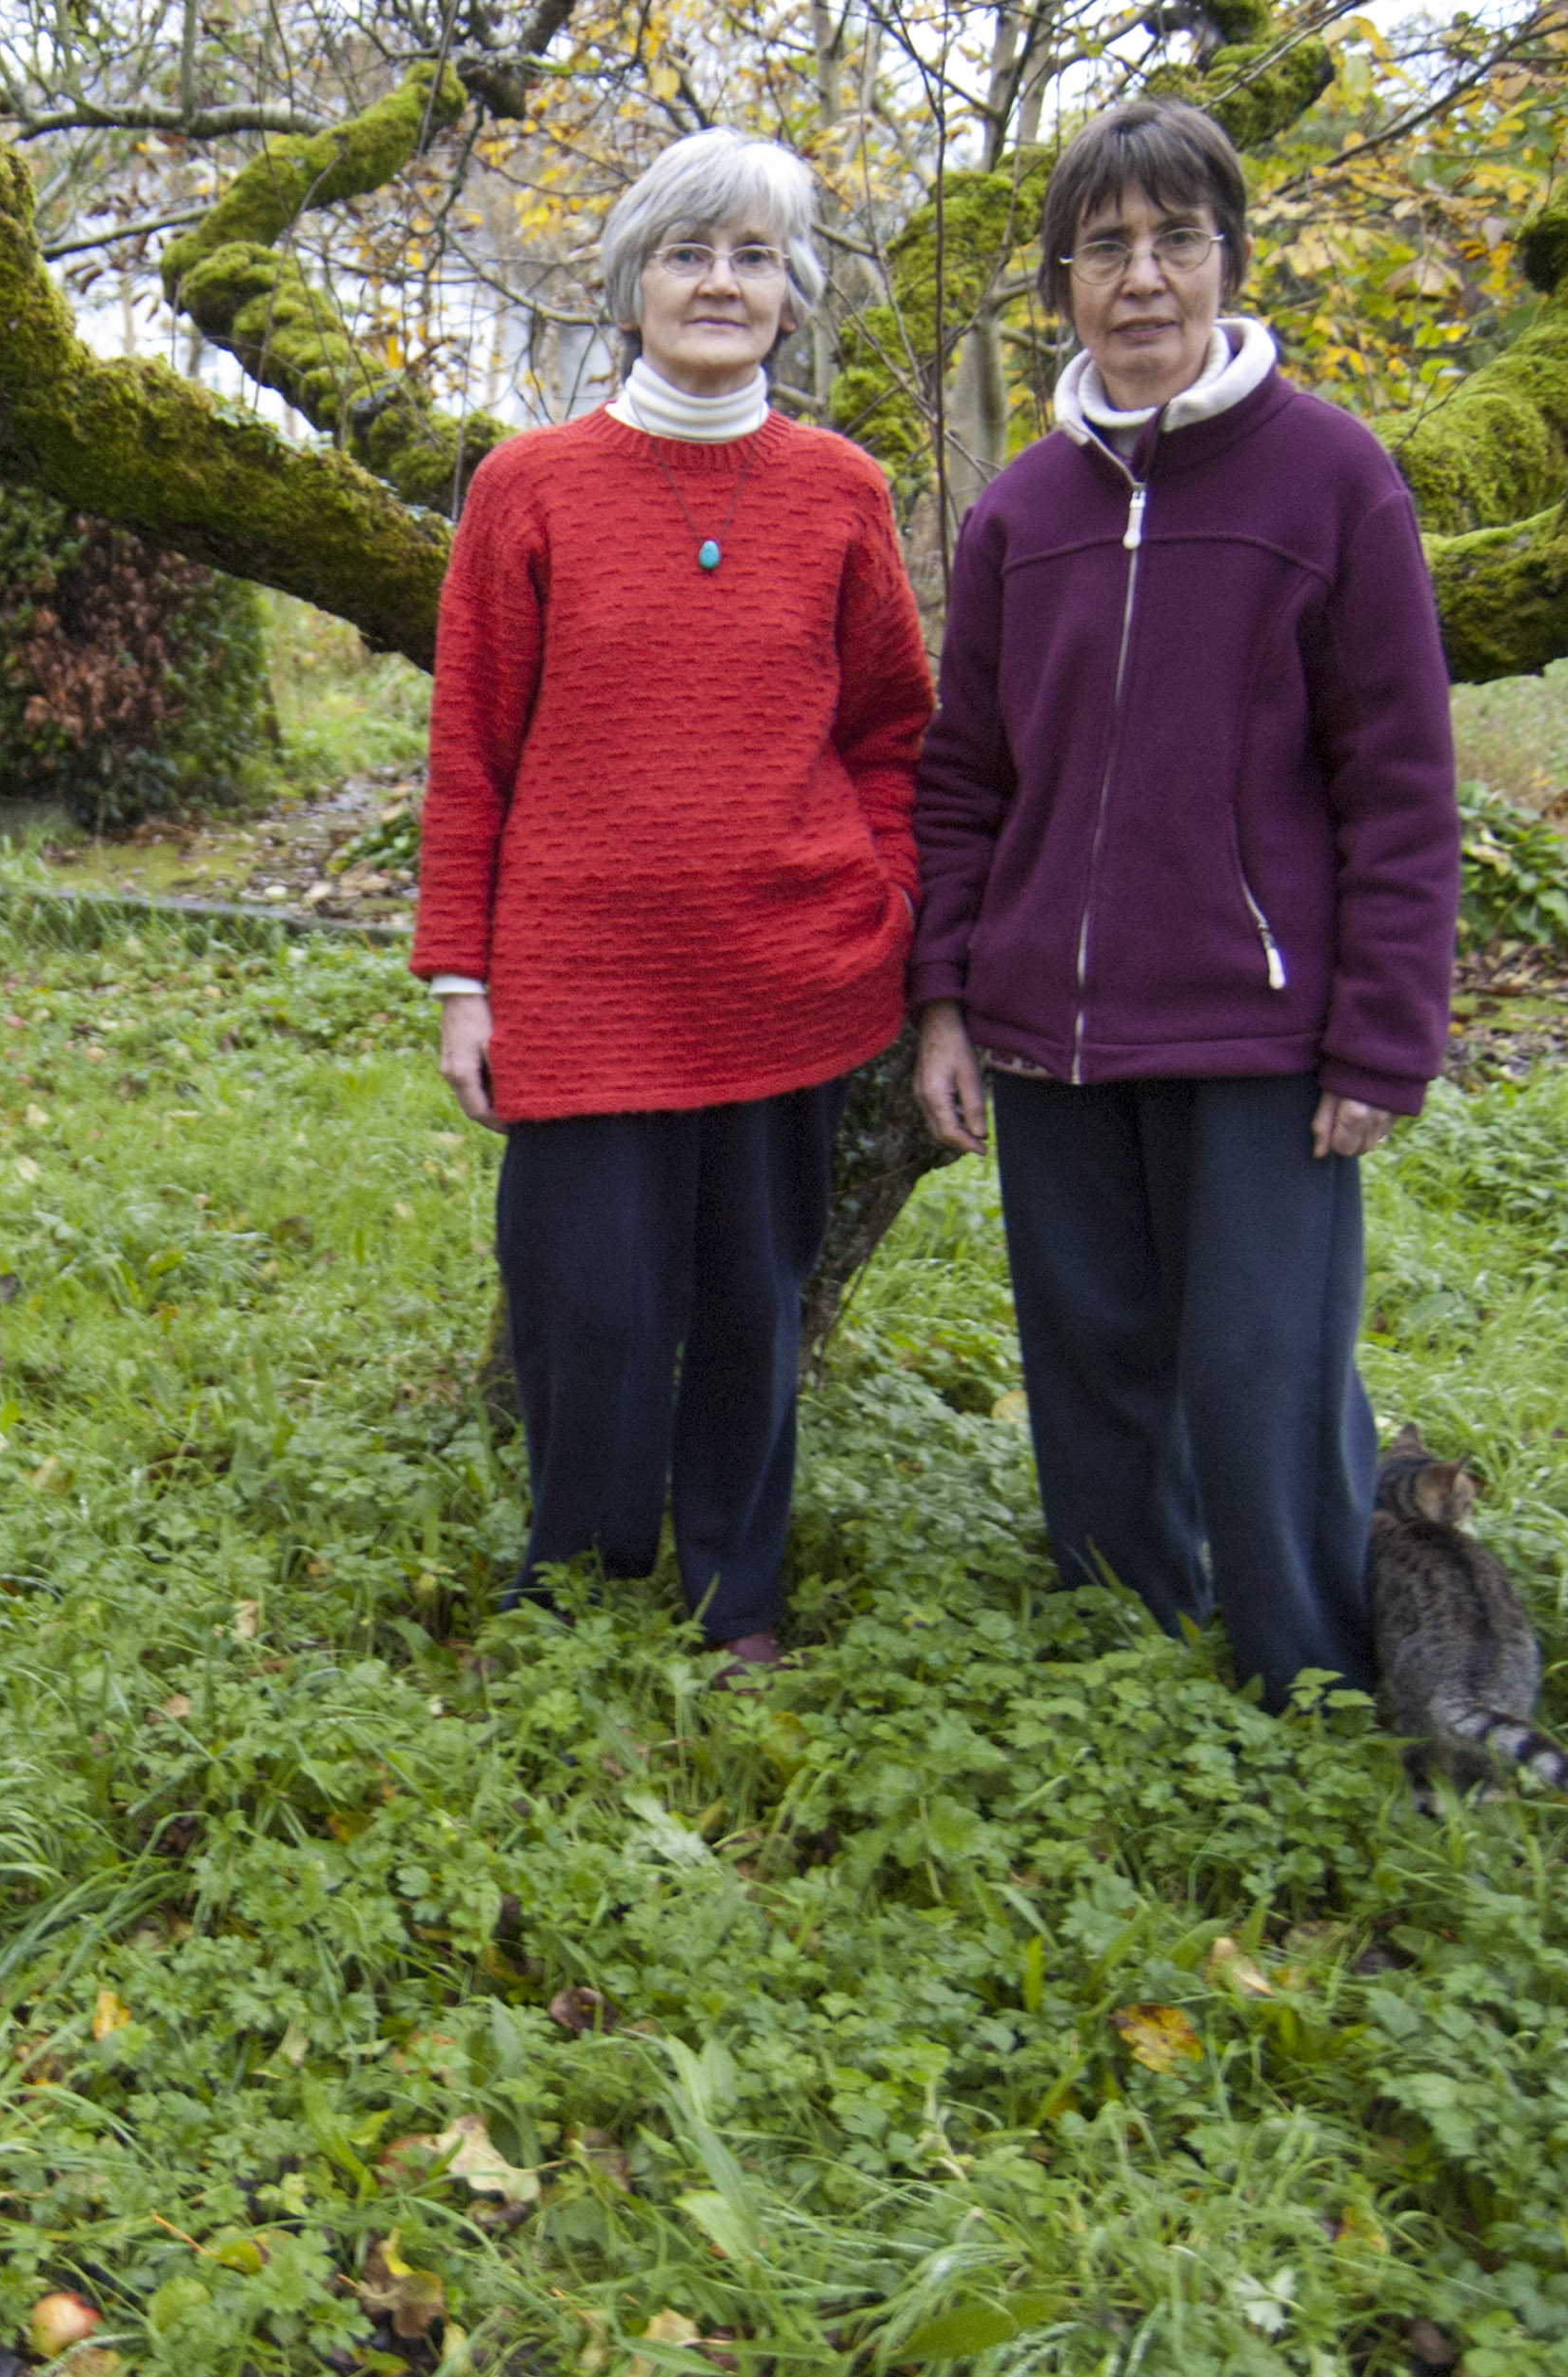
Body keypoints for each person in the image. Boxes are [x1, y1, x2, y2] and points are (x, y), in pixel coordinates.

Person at [907, 97, 1461, 1708]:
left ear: (1226, 257)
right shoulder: (1020, 512)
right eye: (1104, 249)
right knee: (1091, 1361)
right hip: (1052, 1034)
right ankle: (1117, 1649)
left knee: (1261, 1371)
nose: (1141, 279)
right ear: (1062, 284)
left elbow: (1402, 782)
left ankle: (1307, 1675)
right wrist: (948, 995)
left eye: (1175, 240)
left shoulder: (1332, 478)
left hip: (1261, 1034)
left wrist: (1382, 1042)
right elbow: (965, 777)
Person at [414, 127, 935, 1678]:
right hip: (577, 987)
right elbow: (470, 748)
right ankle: (573, 1582)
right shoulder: (529, 488)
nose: (721, 282)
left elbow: (893, 733)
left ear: (794, 293)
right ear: (629, 282)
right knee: (585, 1303)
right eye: (688, 253)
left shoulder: (843, 490)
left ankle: (736, 1597)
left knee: (752, 1313)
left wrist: (887, 904)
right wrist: (462, 978)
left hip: (788, 980)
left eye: (755, 255)